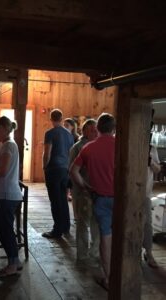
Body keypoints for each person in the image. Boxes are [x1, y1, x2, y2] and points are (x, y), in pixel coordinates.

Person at [70, 113, 115, 290]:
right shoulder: (122, 144)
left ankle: (109, 278)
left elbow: (73, 171)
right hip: (122, 199)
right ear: (113, 128)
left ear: (97, 128)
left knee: (105, 238)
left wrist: (84, 186)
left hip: (99, 198)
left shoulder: (88, 148)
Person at [0, 116, 23, 278]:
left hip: (7, 193)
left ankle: (12, 264)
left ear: (4, 128)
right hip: (7, 193)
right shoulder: (8, 145)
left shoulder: (8, 146)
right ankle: (15, 260)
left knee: (5, 228)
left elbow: (2, 171)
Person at [68, 119, 100, 263]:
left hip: (97, 190)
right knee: (82, 222)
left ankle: (95, 252)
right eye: (91, 129)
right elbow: (73, 170)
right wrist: (82, 187)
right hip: (82, 190)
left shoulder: (99, 145)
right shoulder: (78, 147)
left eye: (96, 129)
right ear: (84, 131)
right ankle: (82, 254)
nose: (95, 132)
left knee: (96, 222)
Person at [42, 109, 74, 239]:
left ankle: (57, 230)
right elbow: (70, 153)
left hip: (54, 169)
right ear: (61, 118)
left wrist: (44, 166)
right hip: (65, 169)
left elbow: (47, 152)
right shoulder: (69, 135)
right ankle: (65, 226)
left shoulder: (49, 133)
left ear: (51, 119)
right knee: (63, 199)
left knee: (55, 200)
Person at [143, 145, 161, 268]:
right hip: (128, 192)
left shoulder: (151, 149)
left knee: (147, 223)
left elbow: (157, 169)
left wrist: (151, 162)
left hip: (145, 192)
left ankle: (148, 252)